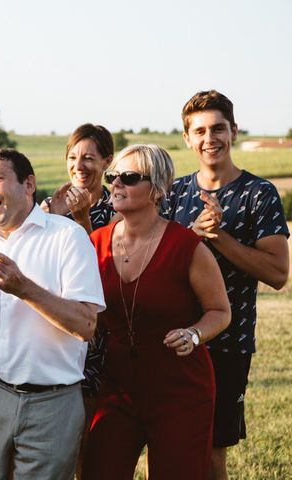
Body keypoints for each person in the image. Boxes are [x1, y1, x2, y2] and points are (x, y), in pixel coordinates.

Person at [0, 147, 105, 479]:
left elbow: (86, 325)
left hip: (52, 402)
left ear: (28, 184)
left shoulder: (67, 236)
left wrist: (24, 288)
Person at [82, 144, 231, 479]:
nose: (116, 184)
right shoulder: (95, 243)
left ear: (159, 190)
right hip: (117, 386)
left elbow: (220, 311)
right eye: (113, 176)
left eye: (130, 177)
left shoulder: (186, 246)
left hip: (179, 389)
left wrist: (193, 334)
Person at [162, 90, 290, 479]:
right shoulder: (172, 193)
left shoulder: (258, 193)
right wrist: (191, 234)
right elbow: (158, 258)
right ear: (187, 138)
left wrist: (219, 237)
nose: (209, 138)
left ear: (233, 131)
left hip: (228, 343)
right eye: (199, 130)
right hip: (173, 338)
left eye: (218, 128)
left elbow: (277, 274)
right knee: (166, 441)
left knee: (213, 451)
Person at [41, 124, 117, 478]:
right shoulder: (47, 208)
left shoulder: (118, 210)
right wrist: (52, 221)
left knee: (91, 437)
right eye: (73, 157)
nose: (79, 165)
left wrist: (84, 222)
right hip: (59, 330)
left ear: (107, 161)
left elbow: (106, 275)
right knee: (59, 439)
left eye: (89, 157)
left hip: (101, 332)